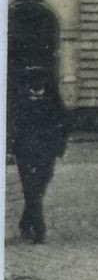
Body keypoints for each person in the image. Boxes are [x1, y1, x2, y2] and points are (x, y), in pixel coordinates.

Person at [10, 67, 69, 243]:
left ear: (44, 81)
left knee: (40, 187)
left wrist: (60, 146)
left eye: (40, 79)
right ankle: (39, 231)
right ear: (30, 82)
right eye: (34, 80)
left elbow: (64, 124)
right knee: (31, 190)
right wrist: (10, 149)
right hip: (25, 152)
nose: (38, 83)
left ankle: (25, 222)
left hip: (47, 151)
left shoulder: (53, 99)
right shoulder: (20, 100)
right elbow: (13, 126)